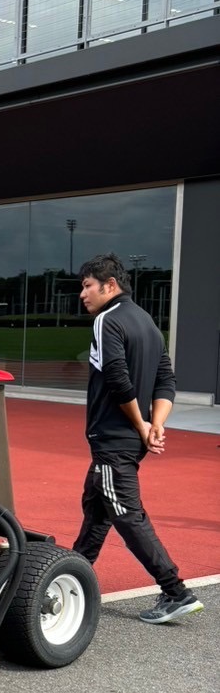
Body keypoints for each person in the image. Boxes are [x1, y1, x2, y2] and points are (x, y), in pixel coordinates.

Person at [71, 252, 202, 624]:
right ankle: (74, 575)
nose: (83, 294)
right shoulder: (147, 322)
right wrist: (155, 423)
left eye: (87, 286)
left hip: (114, 437)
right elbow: (166, 380)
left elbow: (116, 376)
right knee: (96, 505)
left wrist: (144, 426)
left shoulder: (106, 320)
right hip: (128, 438)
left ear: (109, 286)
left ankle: (175, 591)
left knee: (127, 514)